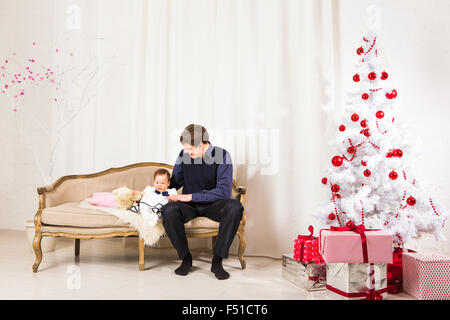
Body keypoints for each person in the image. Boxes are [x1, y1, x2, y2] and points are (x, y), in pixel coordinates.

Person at [162, 124, 244, 280]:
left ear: (202, 145)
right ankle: (185, 258)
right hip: (189, 206)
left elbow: (223, 191)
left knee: (235, 208)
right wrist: (158, 189)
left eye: (189, 149)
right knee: (169, 210)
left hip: (214, 204)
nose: (186, 152)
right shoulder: (184, 155)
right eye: (185, 149)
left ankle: (217, 261)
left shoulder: (222, 155)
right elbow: (175, 182)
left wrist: (191, 196)